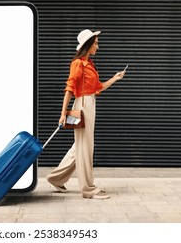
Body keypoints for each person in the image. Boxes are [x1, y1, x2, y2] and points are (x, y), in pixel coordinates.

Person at [46, 29, 125, 199]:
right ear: (88, 45)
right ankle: (88, 189)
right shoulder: (78, 64)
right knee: (86, 148)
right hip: (82, 105)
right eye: (95, 43)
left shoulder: (89, 65)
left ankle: (55, 178)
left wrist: (115, 78)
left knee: (80, 147)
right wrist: (62, 114)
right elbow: (69, 88)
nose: (98, 45)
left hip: (89, 103)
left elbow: (98, 88)